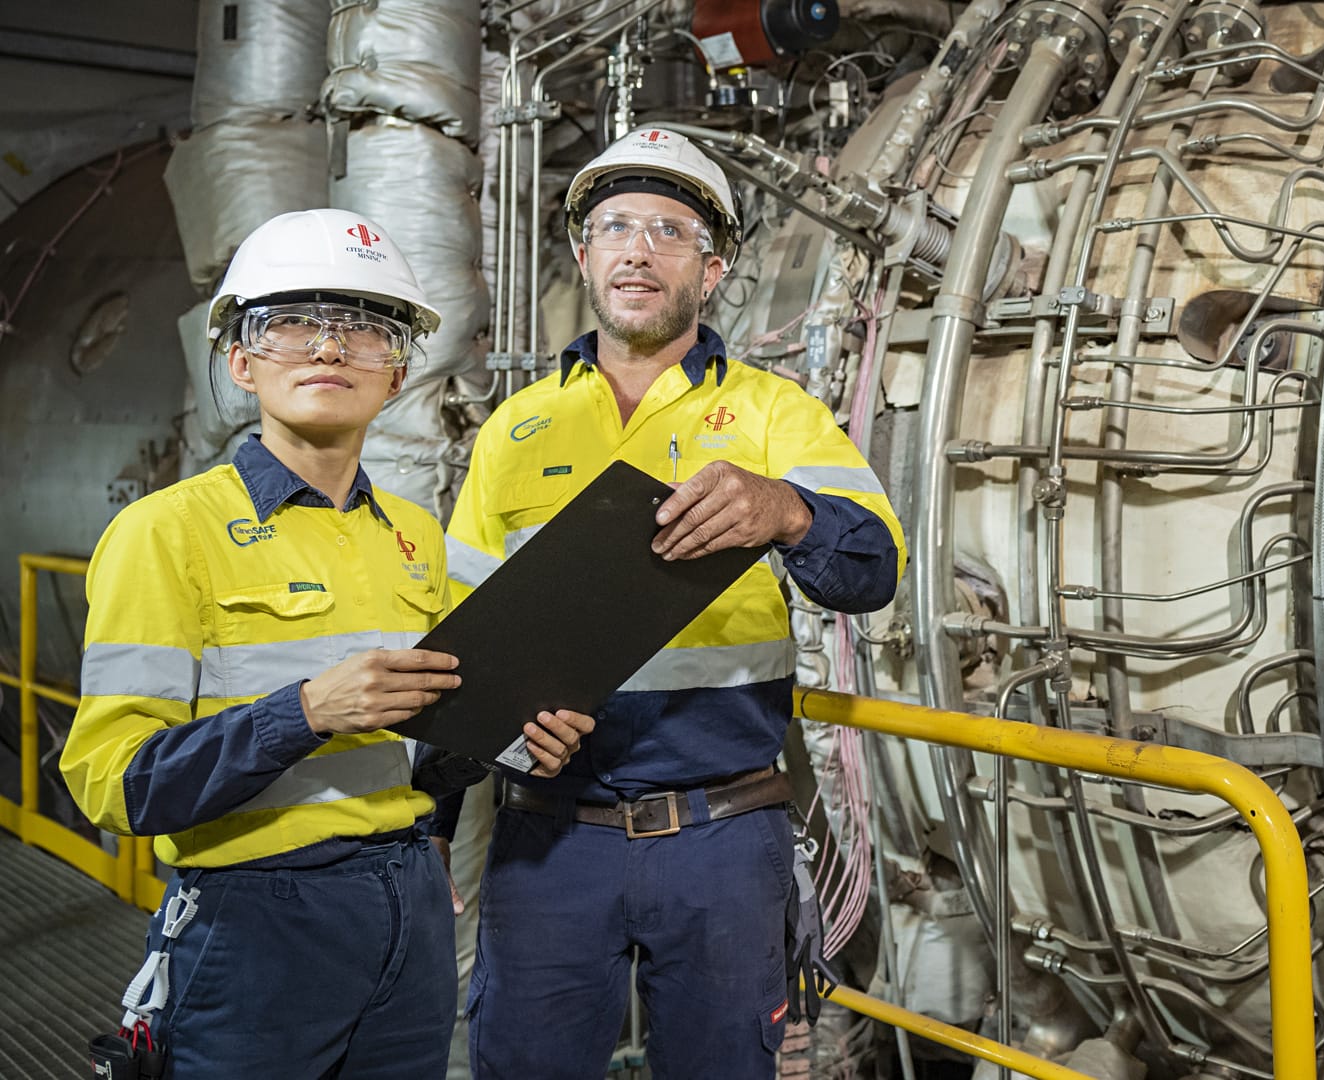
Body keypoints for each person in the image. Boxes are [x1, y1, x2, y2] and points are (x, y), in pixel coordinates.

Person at [59, 208, 595, 1078]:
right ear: (241, 363)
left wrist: (506, 739)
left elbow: (420, 752)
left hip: (410, 907)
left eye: (366, 329)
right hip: (256, 922)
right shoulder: (166, 532)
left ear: (397, 375)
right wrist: (306, 712)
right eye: (291, 324)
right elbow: (115, 783)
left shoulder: (415, 537)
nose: (330, 348)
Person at [445, 127, 904, 1079]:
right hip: (548, 839)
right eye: (615, 227)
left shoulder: (775, 414)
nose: (638, 250)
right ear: (584, 256)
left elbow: (871, 570)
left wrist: (788, 510)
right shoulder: (515, 430)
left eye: (669, 231)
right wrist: (448, 808)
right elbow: (459, 650)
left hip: (722, 838)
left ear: (713, 268)